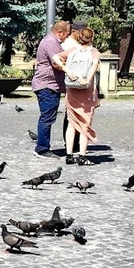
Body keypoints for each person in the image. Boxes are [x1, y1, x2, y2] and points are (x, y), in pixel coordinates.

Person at [53, 25, 101, 165]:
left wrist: (66, 70)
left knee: (72, 124)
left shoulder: (73, 50)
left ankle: (69, 155)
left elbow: (55, 57)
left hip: (72, 90)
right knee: (85, 124)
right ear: (91, 38)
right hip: (86, 92)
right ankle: (82, 156)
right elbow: (94, 65)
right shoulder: (94, 52)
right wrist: (87, 79)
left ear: (80, 38)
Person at [30, 20, 72, 157]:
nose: (66, 38)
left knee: (48, 117)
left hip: (50, 85)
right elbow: (56, 63)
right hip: (47, 85)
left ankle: (43, 146)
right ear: (60, 32)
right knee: (47, 117)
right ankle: (42, 149)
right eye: (66, 34)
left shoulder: (53, 42)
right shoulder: (51, 42)